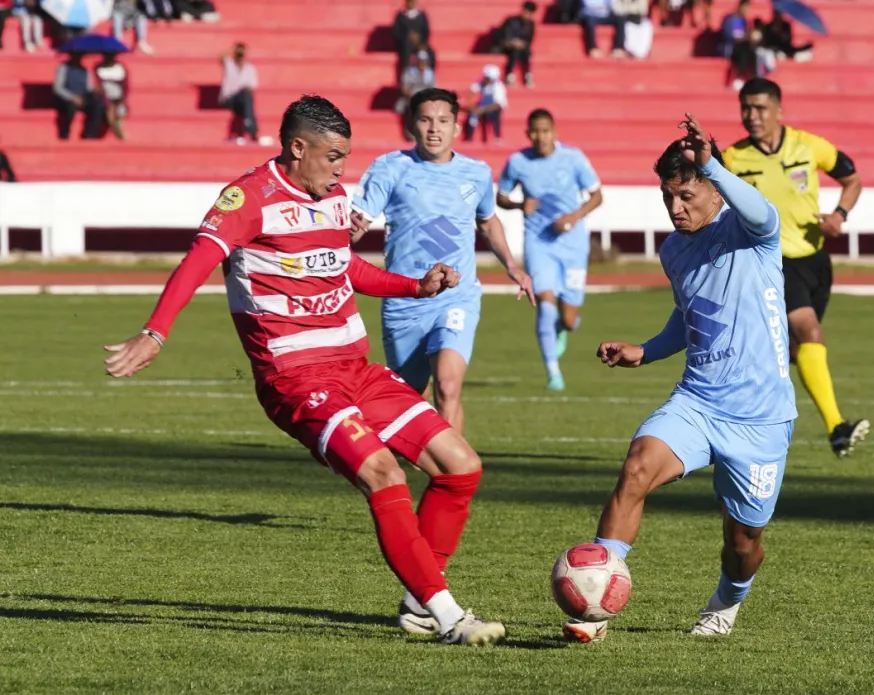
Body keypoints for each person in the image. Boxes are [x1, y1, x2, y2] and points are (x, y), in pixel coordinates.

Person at [103, 95, 506, 647]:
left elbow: (346, 267)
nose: (342, 168)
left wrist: (415, 285)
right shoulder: (248, 198)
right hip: (297, 379)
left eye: (346, 156)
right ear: (298, 148)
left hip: (356, 369)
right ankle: (449, 617)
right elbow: (196, 261)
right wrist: (156, 333)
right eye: (334, 155)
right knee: (382, 474)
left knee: (461, 466)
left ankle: (419, 597)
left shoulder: (335, 198)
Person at [563, 113, 796, 644]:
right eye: (667, 196)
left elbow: (761, 209)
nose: (675, 208)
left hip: (759, 419)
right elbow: (690, 316)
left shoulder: (753, 233)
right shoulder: (674, 251)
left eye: (687, 194)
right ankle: (596, 603)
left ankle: (727, 600)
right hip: (697, 402)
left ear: (716, 191)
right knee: (637, 467)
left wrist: (712, 160)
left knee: (743, 543)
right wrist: (645, 350)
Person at [350, 88, 535, 434]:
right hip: (404, 299)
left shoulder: (477, 173)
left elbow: (487, 220)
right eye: (425, 120)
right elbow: (358, 222)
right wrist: (351, 230)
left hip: (456, 297)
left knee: (448, 385)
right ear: (411, 125)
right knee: (409, 398)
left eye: (443, 121)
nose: (434, 129)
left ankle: (453, 477)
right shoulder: (391, 167)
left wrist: (511, 264)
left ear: (457, 128)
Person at [722, 78, 868, 457]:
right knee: (809, 330)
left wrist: (839, 215)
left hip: (815, 260)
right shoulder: (733, 159)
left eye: (760, 108)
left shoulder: (809, 146)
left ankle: (743, 420)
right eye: (746, 108)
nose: (752, 116)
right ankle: (837, 426)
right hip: (771, 263)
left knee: (786, 351)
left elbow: (852, 179)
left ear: (778, 111)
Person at [496, 109, 603, 391]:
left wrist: (573, 218)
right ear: (527, 133)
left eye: (545, 130)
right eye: (535, 131)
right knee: (544, 303)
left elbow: (597, 196)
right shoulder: (518, 162)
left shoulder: (573, 158)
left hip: (573, 245)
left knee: (568, 319)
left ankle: (564, 327)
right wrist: (520, 205)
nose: (540, 136)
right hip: (538, 242)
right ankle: (553, 373)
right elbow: (501, 196)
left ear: (554, 131)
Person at [53, 52, 104, 140]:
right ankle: (64, 133)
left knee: (97, 105)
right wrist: (71, 97)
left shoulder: (85, 70)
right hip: (66, 98)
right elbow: (58, 88)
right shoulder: (63, 68)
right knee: (70, 107)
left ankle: (89, 134)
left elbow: (88, 88)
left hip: (82, 98)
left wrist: (95, 90)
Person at [219, 43, 260, 145]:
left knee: (246, 96)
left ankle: (248, 122)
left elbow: (252, 86)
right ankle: (251, 127)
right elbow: (220, 57)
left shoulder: (250, 68)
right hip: (229, 99)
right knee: (247, 100)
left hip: (242, 99)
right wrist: (233, 50)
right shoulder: (229, 64)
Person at [464, 65, 508, 144]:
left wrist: (482, 110)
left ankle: (497, 137)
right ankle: (469, 137)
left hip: (494, 107)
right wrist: (471, 105)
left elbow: (497, 104)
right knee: (472, 115)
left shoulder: (499, 86)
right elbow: (471, 91)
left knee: (495, 115)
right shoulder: (481, 83)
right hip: (483, 106)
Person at [498, 1, 536, 87]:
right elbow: (505, 37)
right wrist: (513, 43)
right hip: (508, 47)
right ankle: (509, 75)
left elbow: (529, 40)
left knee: (525, 52)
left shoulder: (531, 25)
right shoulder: (511, 21)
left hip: (522, 49)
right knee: (515, 51)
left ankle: (527, 75)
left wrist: (522, 44)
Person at [95, 52, 129, 140]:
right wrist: (107, 102)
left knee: (121, 111)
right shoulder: (98, 68)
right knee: (110, 112)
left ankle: (119, 131)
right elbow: (99, 87)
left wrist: (123, 101)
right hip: (106, 99)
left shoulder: (120, 68)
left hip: (119, 98)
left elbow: (125, 87)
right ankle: (118, 133)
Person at [392, 0, 430, 71]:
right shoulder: (400, 16)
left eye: (412, 1)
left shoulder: (422, 16)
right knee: (406, 52)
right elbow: (396, 32)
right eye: (409, 1)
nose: (411, 3)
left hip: (420, 43)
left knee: (430, 53)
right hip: (405, 44)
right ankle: (408, 76)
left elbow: (426, 31)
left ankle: (425, 78)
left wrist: (421, 41)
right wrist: (408, 36)